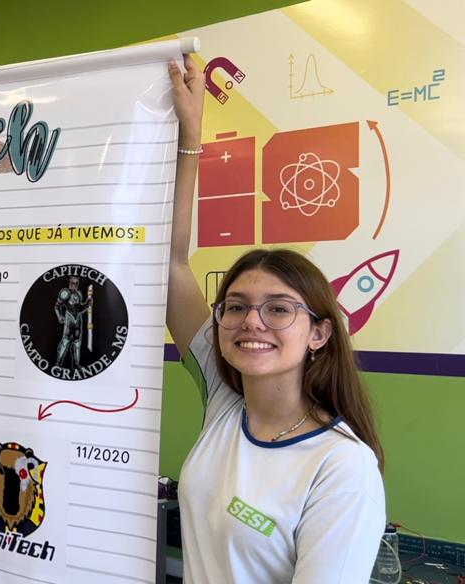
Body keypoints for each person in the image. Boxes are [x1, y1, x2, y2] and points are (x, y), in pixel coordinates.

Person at [166, 55, 385, 583]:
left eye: (279, 309)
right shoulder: (226, 404)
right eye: (236, 306)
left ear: (319, 333)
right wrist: (190, 136)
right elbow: (168, 261)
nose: (251, 322)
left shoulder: (341, 466)